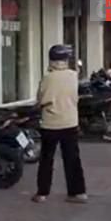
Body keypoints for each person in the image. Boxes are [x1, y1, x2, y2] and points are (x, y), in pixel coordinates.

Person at [32, 44, 87, 204]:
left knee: (46, 159)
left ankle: (42, 193)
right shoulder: (73, 76)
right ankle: (78, 192)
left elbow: (41, 99)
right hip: (70, 122)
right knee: (72, 158)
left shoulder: (48, 78)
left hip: (50, 123)